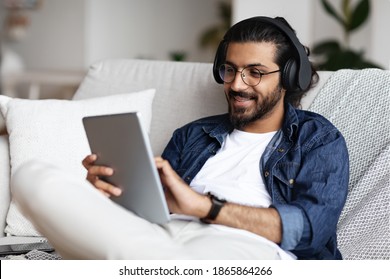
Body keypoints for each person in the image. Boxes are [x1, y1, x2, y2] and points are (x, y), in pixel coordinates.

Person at [12, 16, 349, 260]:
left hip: (244, 247)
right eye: (230, 69)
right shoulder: (193, 135)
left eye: (255, 73)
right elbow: (148, 210)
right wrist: (110, 194)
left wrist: (204, 207)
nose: (236, 84)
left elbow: (311, 229)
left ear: (289, 77)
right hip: (161, 235)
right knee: (32, 176)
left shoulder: (317, 139)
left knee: (173, 260)